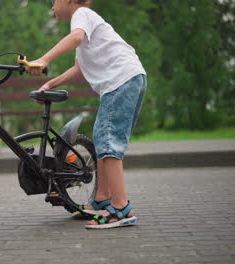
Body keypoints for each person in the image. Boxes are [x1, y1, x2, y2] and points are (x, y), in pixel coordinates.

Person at [26, 0, 147, 229]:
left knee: (108, 143)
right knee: (103, 139)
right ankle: (102, 199)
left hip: (120, 81)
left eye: (54, 1)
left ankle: (121, 209)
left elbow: (75, 39)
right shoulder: (86, 23)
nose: (52, 6)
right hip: (129, 78)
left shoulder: (81, 14)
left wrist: (44, 59)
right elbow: (80, 69)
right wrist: (51, 83)